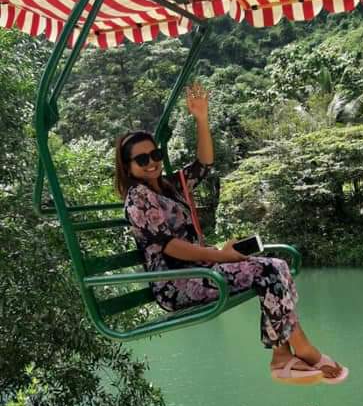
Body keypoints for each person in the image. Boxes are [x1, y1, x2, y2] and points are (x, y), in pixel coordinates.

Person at [114, 82, 348, 385]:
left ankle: (284, 355)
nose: (152, 163)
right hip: (178, 284)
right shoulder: (138, 197)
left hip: (201, 270)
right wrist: (220, 256)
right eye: (142, 159)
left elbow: (204, 165)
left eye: (155, 154)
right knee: (269, 269)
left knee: (276, 266)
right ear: (128, 167)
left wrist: (201, 118)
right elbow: (169, 247)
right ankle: (298, 351)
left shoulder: (170, 186)